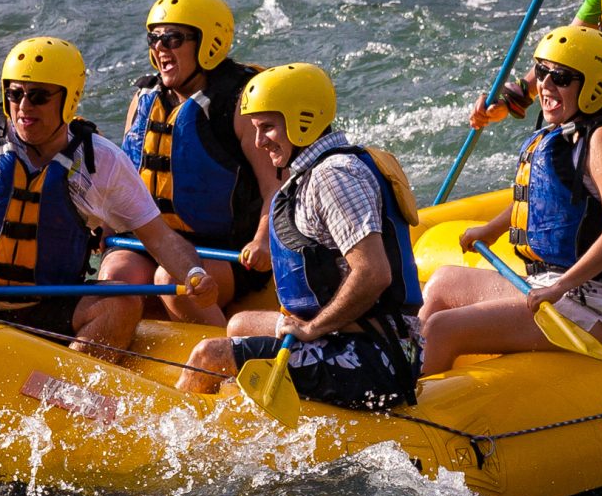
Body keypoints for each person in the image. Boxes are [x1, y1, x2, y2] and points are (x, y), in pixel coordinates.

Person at [0, 36, 207, 357]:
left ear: (69, 99)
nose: (24, 107)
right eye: (15, 94)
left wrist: (195, 274)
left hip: (47, 307)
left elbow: (160, 239)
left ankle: (65, 389)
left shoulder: (100, 162)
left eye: (38, 96)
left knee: (121, 303)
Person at [179, 64, 425, 413]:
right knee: (240, 324)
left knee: (209, 355)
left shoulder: (334, 177)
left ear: (302, 120)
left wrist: (313, 328)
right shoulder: (313, 172)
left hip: (378, 358)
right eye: (255, 129)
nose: (260, 141)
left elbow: (373, 272)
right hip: (359, 337)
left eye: (267, 128)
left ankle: (184, 441)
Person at [419, 25, 602, 376]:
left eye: (560, 77)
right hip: (549, 285)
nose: (544, 85)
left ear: (594, 84)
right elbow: (537, 198)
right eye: (542, 71)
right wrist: (491, 229)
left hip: (593, 303)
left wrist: (563, 285)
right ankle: (404, 372)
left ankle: (410, 414)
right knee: (442, 283)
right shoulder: (564, 130)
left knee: (442, 328)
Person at [95, 0, 277, 325]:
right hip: (152, 242)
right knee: (116, 276)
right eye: (155, 38)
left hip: (224, 254)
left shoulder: (238, 105)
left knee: (172, 278)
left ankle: (225, 359)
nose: (160, 48)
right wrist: (102, 227)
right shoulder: (144, 100)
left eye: (173, 39)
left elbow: (274, 189)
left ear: (208, 43)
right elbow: (124, 182)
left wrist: (262, 242)